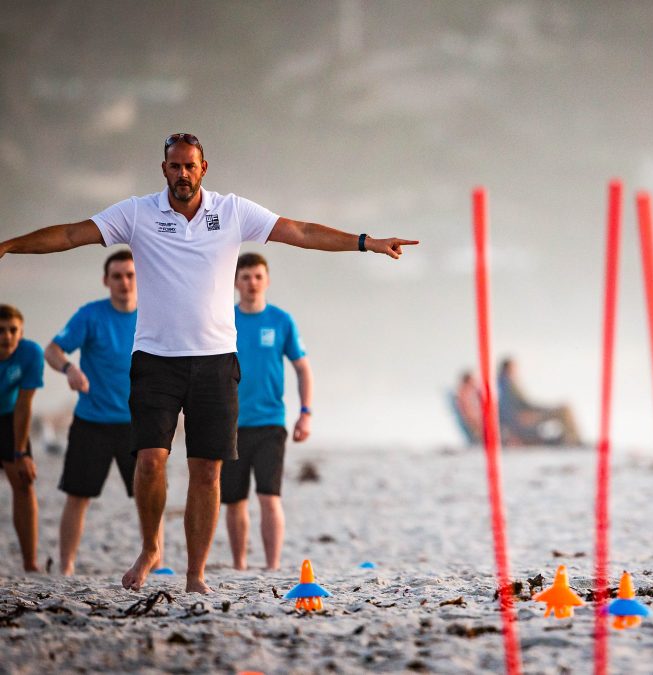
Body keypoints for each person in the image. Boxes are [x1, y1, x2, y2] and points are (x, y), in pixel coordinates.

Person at [0, 132, 418, 593]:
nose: (181, 174)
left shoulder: (233, 211)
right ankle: (151, 547)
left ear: (203, 168)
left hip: (216, 362)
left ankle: (196, 573)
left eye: (189, 166)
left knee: (207, 471)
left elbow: (300, 232)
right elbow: (70, 233)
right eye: (174, 166)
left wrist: (366, 242)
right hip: (156, 360)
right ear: (164, 170)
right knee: (150, 462)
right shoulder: (137, 213)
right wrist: (9, 246)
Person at [45, 250, 168, 575]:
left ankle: (157, 563)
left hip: (139, 423)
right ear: (106, 281)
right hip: (93, 422)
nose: (124, 282)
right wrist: (69, 368)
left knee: (152, 494)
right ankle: (67, 566)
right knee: (77, 495)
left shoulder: (155, 314)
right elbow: (52, 350)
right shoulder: (90, 315)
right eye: (117, 276)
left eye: (130, 275)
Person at [221, 252, 312, 571]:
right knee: (234, 501)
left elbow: (302, 368)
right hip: (229, 424)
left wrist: (305, 412)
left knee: (269, 496)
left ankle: (272, 566)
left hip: (271, 422)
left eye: (258, 276)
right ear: (235, 283)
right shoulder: (223, 319)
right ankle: (239, 564)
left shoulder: (281, 320)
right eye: (245, 277)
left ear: (267, 280)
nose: (252, 283)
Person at [0, 304, 44, 572]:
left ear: (21, 332)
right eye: (0, 330)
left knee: (24, 482)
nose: (6, 336)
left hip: (9, 417)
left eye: (12, 330)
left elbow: (25, 404)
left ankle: (30, 562)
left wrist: (20, 453)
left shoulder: (30, 353)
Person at [497, 357, 582, 447]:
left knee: (563, 411)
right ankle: (573, 440)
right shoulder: (507, 384)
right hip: (523, 419)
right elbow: (523, 404)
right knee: (564, 411)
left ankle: (570, 439)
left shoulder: (502, 384)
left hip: (521, 419)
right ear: (507, 368)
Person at [452, 371, 484, 445]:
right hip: (474, 420)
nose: (475, 382)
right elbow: (468, 411)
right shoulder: (464, 393)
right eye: (473, 380)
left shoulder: (471, 391)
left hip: (476, 418)